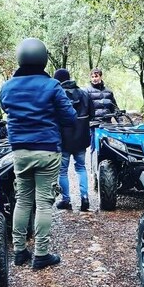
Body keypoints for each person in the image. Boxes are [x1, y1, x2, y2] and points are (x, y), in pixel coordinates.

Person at [0, 38, 76, 270]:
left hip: (20, 152)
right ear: (43, 59)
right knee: (44, 203)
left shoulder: (7, 87)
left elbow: (6, 109)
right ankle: (41, 254)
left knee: (22, 200)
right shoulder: (52, 86)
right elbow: (70, 117)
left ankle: (20, 251)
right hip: (46, 149)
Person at [53, 68, 95, 212]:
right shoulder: (84, 93)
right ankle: (85, 198)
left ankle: (66, 200)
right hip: (81, 138)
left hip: (63, 139)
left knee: (63, 171)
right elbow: (92, 114)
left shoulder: (57, 94)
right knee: (81, 167)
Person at [85, 67, 118, 152]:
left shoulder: (109, 92)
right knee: (94, 148)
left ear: (100, 77)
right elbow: (84, 108)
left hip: (107, 124)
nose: (94, 79)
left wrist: (120, 122)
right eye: (92, 77)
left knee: (111, 148)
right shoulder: (86, 91)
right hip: (94, 124)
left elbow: (114, 108)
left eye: (96, 76)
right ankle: (93, 165)